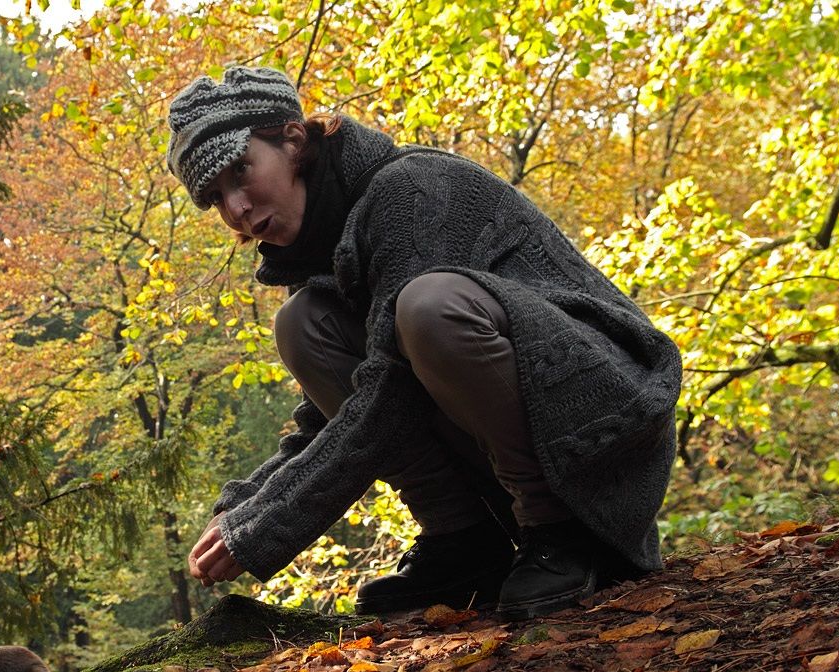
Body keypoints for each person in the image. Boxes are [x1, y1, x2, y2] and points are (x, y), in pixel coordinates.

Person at [165, 66, 681, 620]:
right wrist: (245, 504)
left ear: (292, 138)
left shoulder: (411, 190)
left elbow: (391, 391)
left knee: (428, 306)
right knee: (302, 322)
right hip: (519, 435)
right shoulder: (322, 247)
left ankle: (563, 531)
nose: (236, 208)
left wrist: (269, 525)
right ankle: (465, 543)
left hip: (602, 426)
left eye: (241, 172)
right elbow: (333, 414)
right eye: (215, 197)